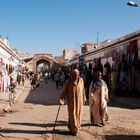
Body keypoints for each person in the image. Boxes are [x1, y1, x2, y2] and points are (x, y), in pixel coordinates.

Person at [59, 69, 86, 136]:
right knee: (73, 115)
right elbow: (64, 91)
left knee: (78, 115)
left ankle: (73, 127)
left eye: (76, 74)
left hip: (80, 101)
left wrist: (84, 98)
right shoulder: (68, 81)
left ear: (78, 74)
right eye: (74, 74)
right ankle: (75, 130)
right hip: (71, 102)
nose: (75, 75)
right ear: (71, 74)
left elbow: (83, 90)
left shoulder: (81, 80)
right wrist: (61, 99)